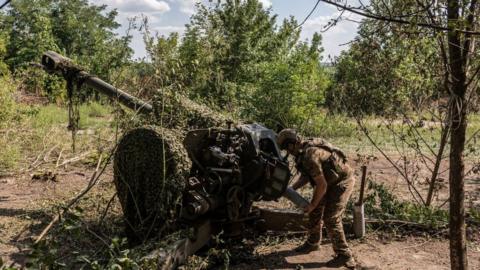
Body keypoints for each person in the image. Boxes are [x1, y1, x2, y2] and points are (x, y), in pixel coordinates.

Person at [277, 129, 356, 268]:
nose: (287, 153)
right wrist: (291, 189)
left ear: (291, 144)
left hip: (342, 182)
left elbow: (321, 185)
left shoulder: (310, 155)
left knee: (331, 217)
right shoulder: (303, 150)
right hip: (329, 181)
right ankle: (313, 243)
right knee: (315, 210)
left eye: (286, 149)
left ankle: (344, 255)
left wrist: (312, 204)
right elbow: (307, 176)